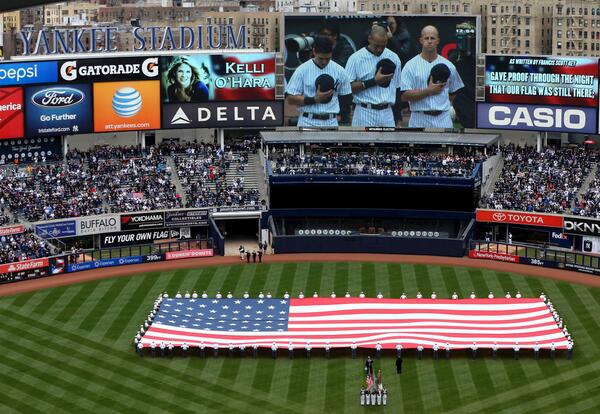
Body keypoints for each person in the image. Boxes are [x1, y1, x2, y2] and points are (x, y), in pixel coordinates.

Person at [400, 25, 464, 128]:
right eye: (426, 38)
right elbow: (404, 96)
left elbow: (454, 93)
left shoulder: (449, 66)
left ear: (437, 41)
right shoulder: (410, 66)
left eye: (432, 38)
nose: (429, 41)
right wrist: (428, 91)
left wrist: (440, 101)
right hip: (419, 118)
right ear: (421, 40)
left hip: (442, 118)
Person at [285, 36, 352, 128]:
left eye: (327, 58)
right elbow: (290, 98)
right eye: (321, 58)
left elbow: (346, 99)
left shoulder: (340, 71)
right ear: (314, 52)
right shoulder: (302, 70)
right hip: (307, 121)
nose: (324, 62)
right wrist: (314, 99)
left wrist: (345, 122)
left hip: (331, 122)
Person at [345, 24, 402, 128]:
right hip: (364, 111)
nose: (379, 49)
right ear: (369, 39)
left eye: (383, 46)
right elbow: (347, 88)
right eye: (376, 46)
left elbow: (397, 89)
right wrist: (374, 81)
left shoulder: (394, 57)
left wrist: (398, 117)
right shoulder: (356, 58)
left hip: (387, 112)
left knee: (389, 140)